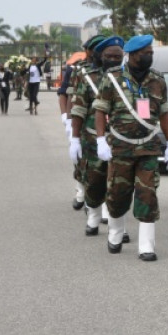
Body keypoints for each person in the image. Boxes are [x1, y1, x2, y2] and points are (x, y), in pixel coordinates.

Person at [93, 34, 168, 262]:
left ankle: (146, 246)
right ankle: (116, 234)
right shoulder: (113, 78)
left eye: (151, 52)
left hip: (148, 147)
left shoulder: (158, 79)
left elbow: (165, 112)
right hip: (120, 148)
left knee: (148, 194)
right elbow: (100, 109)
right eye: (145, 53)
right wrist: (100, 140)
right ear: (133, 55)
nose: (149, 56)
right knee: (118, 195)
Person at [71, 36, 129, 242]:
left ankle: (119, 226)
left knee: (119, 184)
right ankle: (94, 217)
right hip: (93, 139)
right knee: (95, 181)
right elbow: (78, 109)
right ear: (100, 56)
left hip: (121, 140)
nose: (114, 59)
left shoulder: (128, 78)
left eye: (118, 56)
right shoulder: (87, 77)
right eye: (110, 56)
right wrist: (75, 138)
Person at [63, 35, 107, 211]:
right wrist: (68, 119)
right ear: (89, 51)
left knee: (102, 165)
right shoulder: (80, 71)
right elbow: (71, 96)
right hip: (84, 124)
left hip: (103, 126)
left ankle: (100, 203)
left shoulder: (110, 72)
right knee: (82, 161)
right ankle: (81, 191)